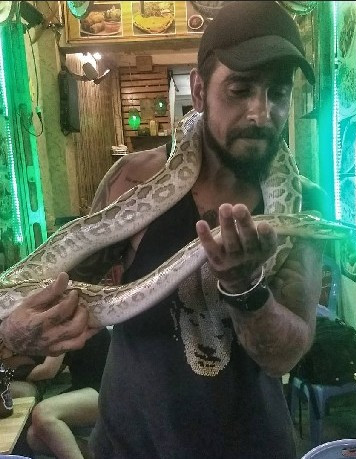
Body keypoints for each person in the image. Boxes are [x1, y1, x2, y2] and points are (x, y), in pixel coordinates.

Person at [0, 2, 324, 457]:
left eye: (279, 92)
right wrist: (12, 336)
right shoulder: (132, 181)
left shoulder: (304, 205)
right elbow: (56, 298)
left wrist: (246, 289)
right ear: (200, 90)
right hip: (133, 445)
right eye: (240, 90)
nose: (261, 113)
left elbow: (285, 355)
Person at [26, 327, 111, 459]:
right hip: (84, 387)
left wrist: (11, 374)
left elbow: (48, 370)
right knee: (34, 436)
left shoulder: (66, 326)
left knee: (43, 412)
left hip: (107, 388)